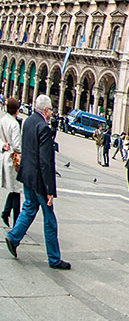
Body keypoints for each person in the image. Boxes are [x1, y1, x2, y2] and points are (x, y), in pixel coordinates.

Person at [5, 94, 70, 269]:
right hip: (39, 181)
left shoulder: (28, 121)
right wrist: (49, 190)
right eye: (51, 110)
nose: (51, 113)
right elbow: (45, 162)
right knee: (49, 219)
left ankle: (13, 237)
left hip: (27, 175)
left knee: (29, 207)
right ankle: (54, 258)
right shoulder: (43, 128)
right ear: (46, 110)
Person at [1, 98, 22, 228]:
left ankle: (6, 212)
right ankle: (16, 223)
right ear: (16, 110)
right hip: (13, 160)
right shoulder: (14, 124)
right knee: (16, 190)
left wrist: (3, 145)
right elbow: (17, 145)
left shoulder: (2, 120)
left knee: (14, 189)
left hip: (5, 157)